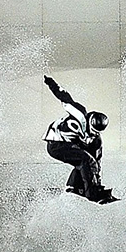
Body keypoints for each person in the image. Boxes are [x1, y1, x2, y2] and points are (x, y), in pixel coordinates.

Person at [42, 75, 116, 204]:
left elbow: (97, 162)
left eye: (96, 133)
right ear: (89, 121)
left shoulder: (95, 139)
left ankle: (75, 187)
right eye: (92, 130)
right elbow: (64, 97)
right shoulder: (80, 114)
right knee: (85, 158)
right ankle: (92, 193)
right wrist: (51, 82)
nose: (92, 134)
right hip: (55, 143)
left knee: (88, 160)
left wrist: (98, 181)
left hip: (71, 145)